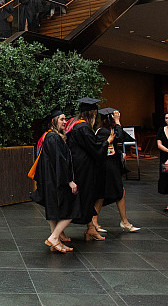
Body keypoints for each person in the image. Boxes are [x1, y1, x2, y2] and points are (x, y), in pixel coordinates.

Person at [29, 109, 78, 253]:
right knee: (72, 210)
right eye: (61, 119)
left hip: (49, 181)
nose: (64, 122)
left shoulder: (48, 137)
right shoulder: (54, 138)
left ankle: (55, 241)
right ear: (53, 121)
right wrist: (69, 181)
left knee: (54, 211)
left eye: (65, 119)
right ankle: (55, 237)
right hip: (56, 182)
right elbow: (60, 162)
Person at [66, 97, 112, 241]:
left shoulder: (73, 124)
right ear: (93, 112)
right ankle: (59, 231)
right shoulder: (84, 127)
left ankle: (90, 228)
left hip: (76, 165)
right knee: (84, 198)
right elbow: (95, 148)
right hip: (83, 169)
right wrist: (108, 142)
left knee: (85, 198)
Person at [91, 108, 140, 233]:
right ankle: (96, 221)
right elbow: (119, 138)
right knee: (106, 193)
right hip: (106, 165)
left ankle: (121, 221)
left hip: (111, 164)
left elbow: (117, 140)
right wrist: (118, 121)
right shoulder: (102, 131)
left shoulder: (108, 130)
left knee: (113, 192)